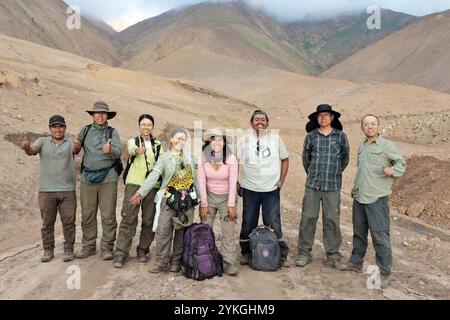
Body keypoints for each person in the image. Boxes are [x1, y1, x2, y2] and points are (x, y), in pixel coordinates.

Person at [339, 114, 407, 289]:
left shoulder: (386, 146)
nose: (370, 127)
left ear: (378, 126)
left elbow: (402, 163)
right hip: (360, 197)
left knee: (380, 236)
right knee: (359, 234)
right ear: (362, 128)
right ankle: (355, 262)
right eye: (366, 124)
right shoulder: (362, 146)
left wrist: (393, 171)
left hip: (377, 199)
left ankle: (384, 272)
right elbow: (362, 171)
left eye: (373, 124)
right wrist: (355, 188)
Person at [130, 128, 200, 273]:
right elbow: (154, 175)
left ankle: (175, 262)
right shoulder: (164, 158)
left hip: (186, 201)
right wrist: (140, 193)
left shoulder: (191, 158)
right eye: (178, 138)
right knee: (163, 230)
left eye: (183, 139)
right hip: (168, 199)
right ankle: (161, 261)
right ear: (171, 140)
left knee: (181, 232)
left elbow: (198, 178)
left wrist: (200, 198)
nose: (180, 141)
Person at [296, 104, 350, 269]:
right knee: (308, 218)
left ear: (332, 117)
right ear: (316, 118)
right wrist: (314, 173)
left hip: (332, 185)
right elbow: (306, 160)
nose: (323, 118)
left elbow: (344, 159)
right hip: (313, 184)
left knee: (332, 220)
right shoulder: (311, 137)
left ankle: (333, 255)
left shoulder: (340, 136)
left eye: (326, 115)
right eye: (320, 115)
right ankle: (304, 253)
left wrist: (333, 172)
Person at [20, 115, 78, 263]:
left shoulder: (70, 142)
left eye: (61, 126)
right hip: (47, 190)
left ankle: (68, 249)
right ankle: (48, 249)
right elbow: (32, 151)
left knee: (69, 222)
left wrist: (77, 146)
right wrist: (27, 146)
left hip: (67, 190)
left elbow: (76, 149)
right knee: (47, 222)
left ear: (65, 128)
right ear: (50, 128)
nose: (58, 130)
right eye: (54, 127)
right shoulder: (43, 142)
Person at [237, 110, 290, 266]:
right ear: (251, 122)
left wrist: (281, 181)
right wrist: (236, 182)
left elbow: (285, 160)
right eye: (256, 119)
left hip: (271, 189)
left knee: (273, 221)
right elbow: (235, 161)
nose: (259, 122)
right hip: (249, 188)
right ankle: (247, 252)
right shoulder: (244, 140)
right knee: (248, 221)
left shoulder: (275, 139)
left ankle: (279, 254)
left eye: (263, 119)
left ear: (268, 122)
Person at [113, 114, 163, 268]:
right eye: (143, 124)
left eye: (149, 124)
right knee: (128, 217)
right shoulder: (133, 142)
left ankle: (143, 249)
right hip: (134, 184)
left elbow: (161, 162)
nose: (146, 127)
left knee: (149, 219)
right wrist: (137, 150)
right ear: (139, 126)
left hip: (152, 186)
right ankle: (121, 252)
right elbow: (131, 150)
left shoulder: (158, 145)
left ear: (152, 127)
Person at [74, 101, 122, 261]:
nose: (100, 116)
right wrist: (75, 145)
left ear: (107, 116)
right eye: (97, 113)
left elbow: (117, 152)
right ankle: (88, 246)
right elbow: (76, 147)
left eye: (103, 113)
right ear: (92, 115)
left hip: (108, 177)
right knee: (87, 214)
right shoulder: (85, 130)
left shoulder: (112, 132)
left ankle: (107, 247)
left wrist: (110, 151)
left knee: (108, 215)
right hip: (88, 178)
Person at [198, 128, 239, 276]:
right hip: (209, 196)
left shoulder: (231, 158)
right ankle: (205, 261)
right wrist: (203, 204)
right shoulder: (203, 157)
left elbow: (233, 181)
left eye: (220, 139)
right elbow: (201, 181)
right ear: (209, 142)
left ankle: (229, 262)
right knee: (205, 229)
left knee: (228, 231)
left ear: (224, 142)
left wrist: (231, 205)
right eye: (214, 139)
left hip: (227, 197)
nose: (217, 142)